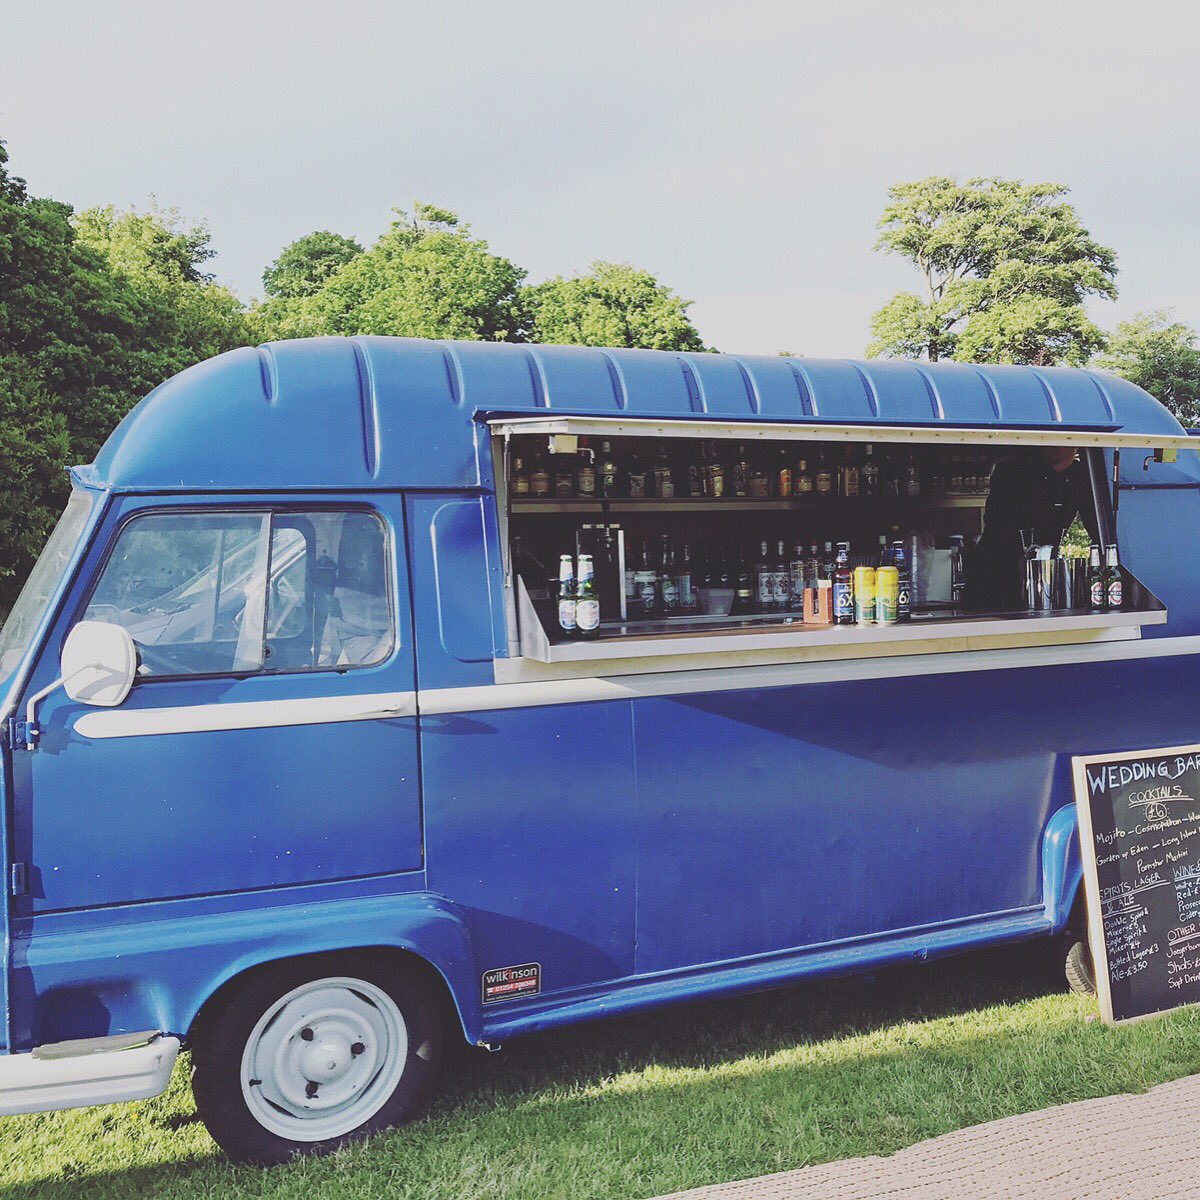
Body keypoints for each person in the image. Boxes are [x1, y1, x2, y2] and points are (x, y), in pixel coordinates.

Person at [965, 447, 1099, 611]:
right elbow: (997, 526)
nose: (1060, 447)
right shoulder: (1012, 471)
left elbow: (1097, 526)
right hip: (996, 576)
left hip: (1043, 577)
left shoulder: (1082, 476)